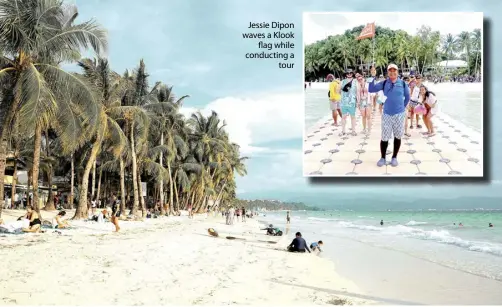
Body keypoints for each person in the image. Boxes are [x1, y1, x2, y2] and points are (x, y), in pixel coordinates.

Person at [369, 64, 410, 167]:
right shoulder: (384, 83)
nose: (392, 72)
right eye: (390, 71)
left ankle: (394, 157)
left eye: (394, 70)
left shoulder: (403, 83)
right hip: (387, 114)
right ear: (388, 72)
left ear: (397, 72)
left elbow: (407, 97)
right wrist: (373, 76)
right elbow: (371, 89)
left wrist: (402, 107)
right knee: (384, 137)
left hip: (399, 114)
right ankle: (383, 157)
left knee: (398, 136)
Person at [339, 68, 358, 136]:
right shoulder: (342, 81)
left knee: (353, 117)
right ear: (346, 74)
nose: (349, 74)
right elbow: (338, 91)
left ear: (352, 74)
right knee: (343, 117)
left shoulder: (355, 81)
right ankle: (343, 131)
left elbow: (357, 92)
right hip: (344, 102)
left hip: (352, 102)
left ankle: (353, 131)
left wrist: (358, 101)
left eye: (350, 73)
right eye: (348, 73)